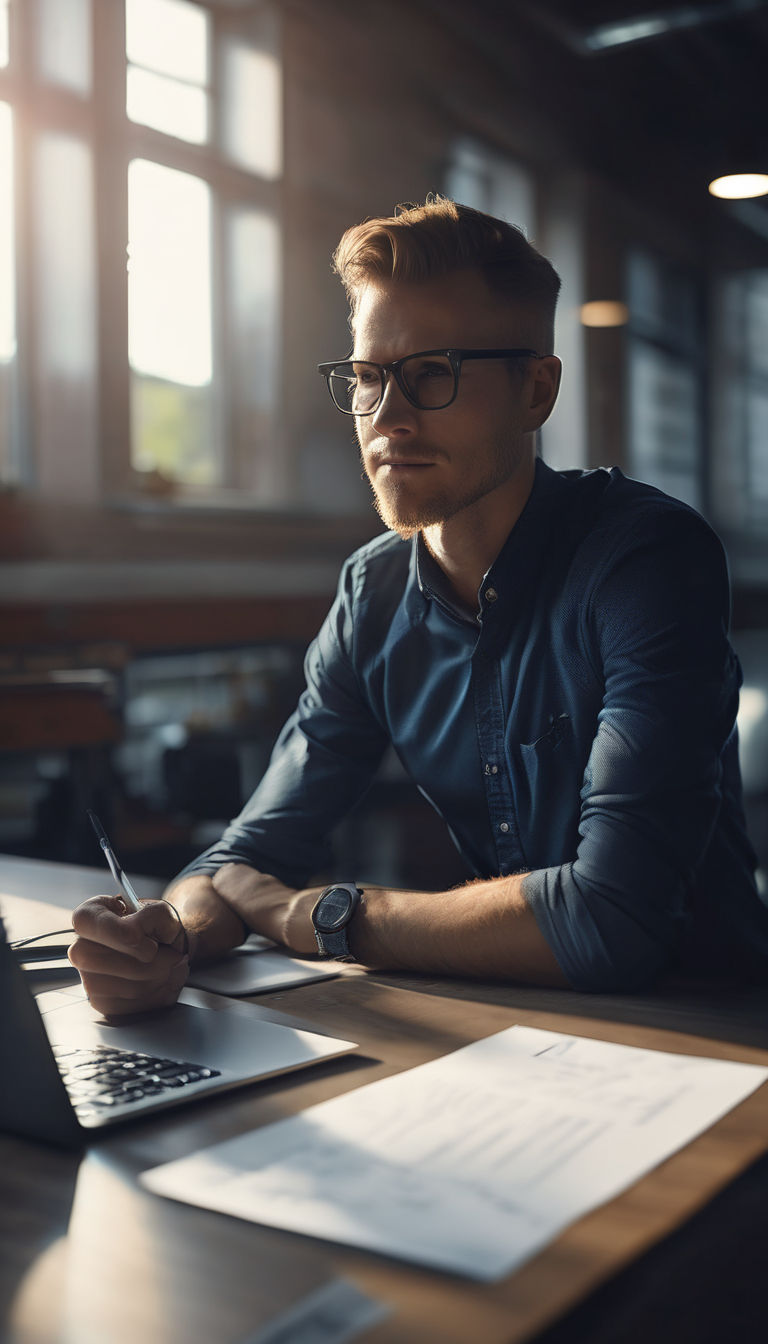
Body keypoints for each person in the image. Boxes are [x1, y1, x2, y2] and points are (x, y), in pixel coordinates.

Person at [69, 197, 768, 1015]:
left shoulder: (646, 559)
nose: (387, 419)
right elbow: (241, 860)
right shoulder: (372, 593)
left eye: (433, 372)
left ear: (536, 390)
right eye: (368, 377)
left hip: (715, 1028)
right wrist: (167, 940)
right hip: (519, 1015)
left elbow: (612, 921)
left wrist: (318, 916)